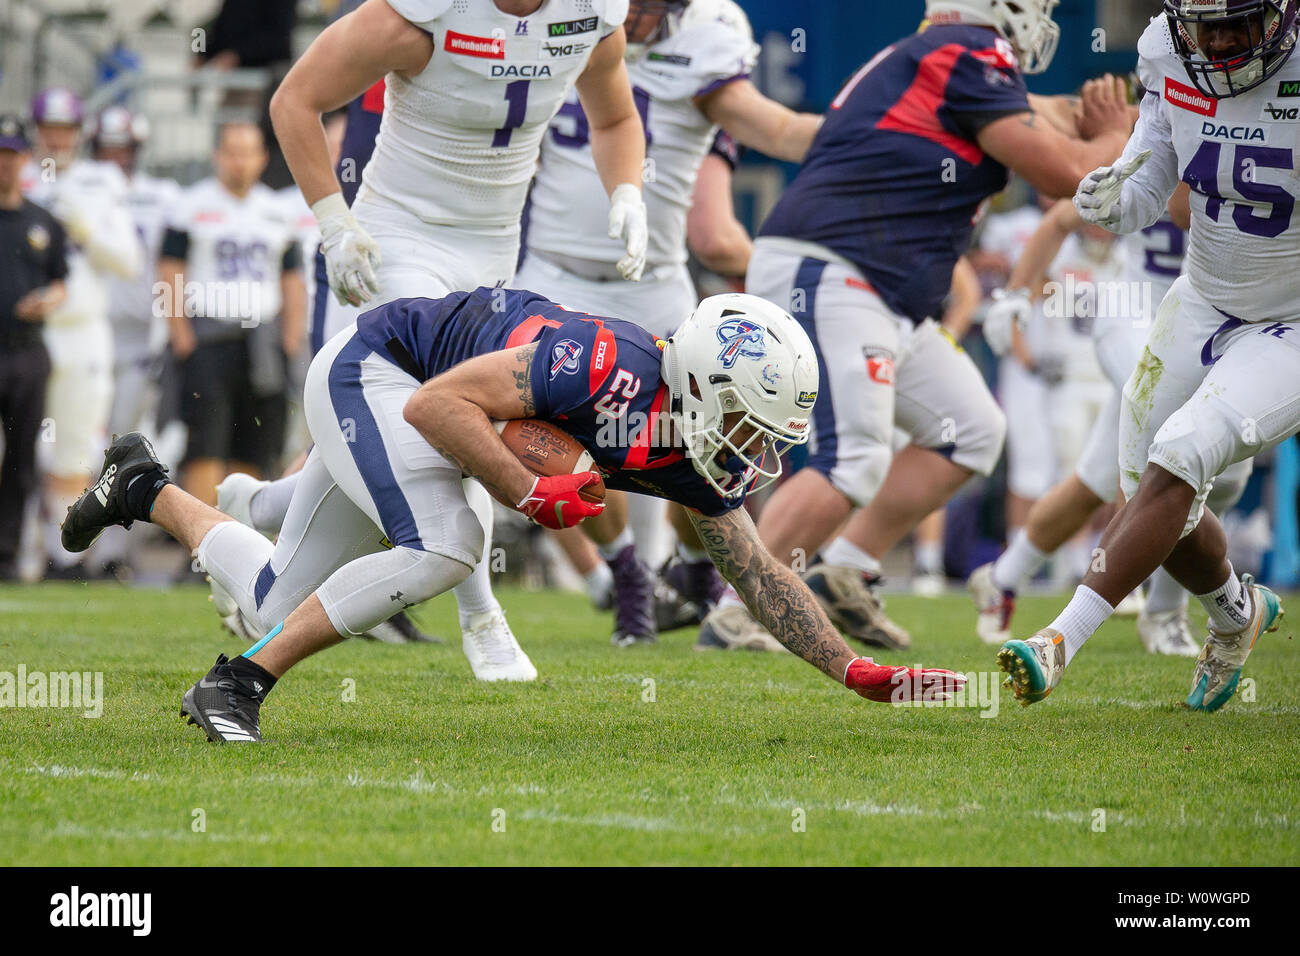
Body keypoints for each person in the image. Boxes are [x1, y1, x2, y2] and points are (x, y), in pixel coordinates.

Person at [60, 290, 968, 742]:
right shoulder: (599, 361)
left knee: (274, 604)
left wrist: (856, 673)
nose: (750, 449)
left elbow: (761, 576)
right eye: (742, 421)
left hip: (411, 401)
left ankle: (140, 486)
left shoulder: (693, 446)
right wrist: (523, 487)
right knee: (452, 542)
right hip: (380, 373)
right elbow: (436, 410)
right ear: (696, 386)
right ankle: (237, 685)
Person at [697, 0, 1137, 653]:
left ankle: (841, 568)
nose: (1042, 19)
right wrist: (1113, 136)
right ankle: (741, 605)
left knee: (972, 430)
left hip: (882, 287)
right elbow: (1067, 171)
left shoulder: (944, 60)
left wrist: (1110, 110)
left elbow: (1051, 113)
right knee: (853, 456)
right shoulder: (966, 54)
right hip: (838, 265)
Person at [230, 0, 650, 678]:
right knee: (456, 415)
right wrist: (334, 223)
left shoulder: (592, 15)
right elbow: (294, 100)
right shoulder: (425, 13)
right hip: (400, 239)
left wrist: (627, 192)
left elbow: (616, 115)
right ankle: (482, 617)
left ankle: (254, 503)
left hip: (493, 251)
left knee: (274, 599)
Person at [1000, 1, 1298, 711]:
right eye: (1206, 23)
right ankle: (1235, 611)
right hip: (1200, 296)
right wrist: (1110, 195)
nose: (1220, 39)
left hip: (1291, 315)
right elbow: (1148, 185)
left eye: (1240, 21)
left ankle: (1057, 640)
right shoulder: (1167, 48)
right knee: (1150, 498)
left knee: (1185, 451)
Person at [514, 0, 824, 646]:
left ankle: (692, 576)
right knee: (560, 439)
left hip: (654, 281)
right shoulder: (569, 19)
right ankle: (627, 569)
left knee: (705, 445)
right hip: (551, 272)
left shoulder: (709, 41)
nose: (631, 11)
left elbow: (783, 131)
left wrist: (881, 139)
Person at [970, 190, 1253, 654]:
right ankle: (1162, 613)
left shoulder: (1263, 140)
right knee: (1177, 445)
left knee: (1096, 480)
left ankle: (1002, 577)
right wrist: (1016, 295)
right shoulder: (1160, 136)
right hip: (1134, 313)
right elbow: (1064, 217)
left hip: (1205, 325)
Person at [24, 87, 143, 581]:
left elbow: (128, 261)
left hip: (83, 327)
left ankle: (64, 554)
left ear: (79, 134)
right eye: (50, 128)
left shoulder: (100, 181)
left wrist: (86, 229)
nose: (57, 137)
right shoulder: (20, 175)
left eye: (66, 128)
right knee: (23, 445)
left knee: (75, 445)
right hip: (27, 330)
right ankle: (22, 548)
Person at [158, 122, 305, 506]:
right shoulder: (191, 205)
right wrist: (182, 338)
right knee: (205, 443)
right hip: (209, 336)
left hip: (262, 339)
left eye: (248, 153)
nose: (240, 162)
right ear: (217, 156)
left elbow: (291, 280)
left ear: (262, 159)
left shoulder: (276, 210)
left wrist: (290, 338)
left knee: (255, 441)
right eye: (232, 152)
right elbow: (170, 272)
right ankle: (201, 543)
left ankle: (242, 537)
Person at [0, 115, 67, 581]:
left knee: (23, 458)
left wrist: (47, 300)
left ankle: (7, 555)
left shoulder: (43, 221)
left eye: (12, 155)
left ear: (25, 159)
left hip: (26, 350)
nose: (6, 164)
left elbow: (62, 281)